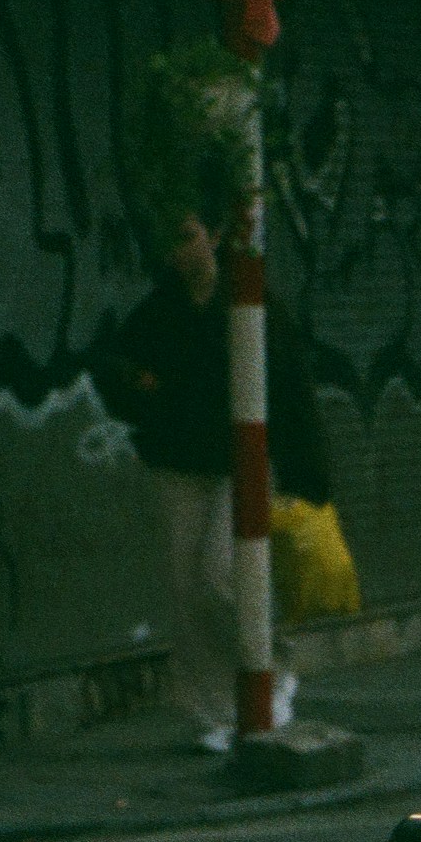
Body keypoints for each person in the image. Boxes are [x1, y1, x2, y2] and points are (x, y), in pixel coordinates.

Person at [92, 209, 337, 752]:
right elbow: (111, 361)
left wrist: (308, 472)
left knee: (224, 574)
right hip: (179, 461)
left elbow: (292, 385)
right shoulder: (161, 307)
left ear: (215, 237)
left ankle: (269, 674)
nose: (180, 252)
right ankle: (216, 710)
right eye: (172, 242)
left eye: (188, 237)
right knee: (186, 586)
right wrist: (136, 383)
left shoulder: (249, 303)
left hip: (240, 464)